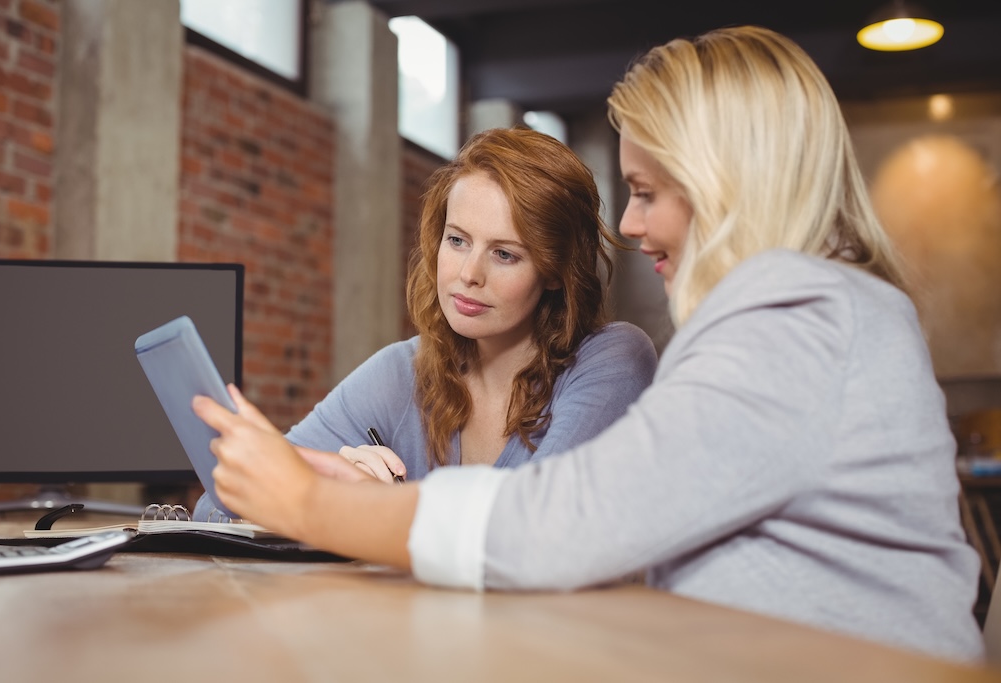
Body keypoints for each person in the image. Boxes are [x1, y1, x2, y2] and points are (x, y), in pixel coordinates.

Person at [192, 26, 985, 662]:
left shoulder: (796, 312)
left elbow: (569, 523)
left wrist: (315, 503)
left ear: (730, 181)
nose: (631, 226)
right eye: (459, 241)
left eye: (644, 192)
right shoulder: (829, 307)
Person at [192, 126, 658, 520]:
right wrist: (331, 477)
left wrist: (359, 504)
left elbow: (532, 527)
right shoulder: (401, 372)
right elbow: (215, 507)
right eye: (457, 241)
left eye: (504, 254)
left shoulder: (612, 360)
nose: (468, 274)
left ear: (555, 270)